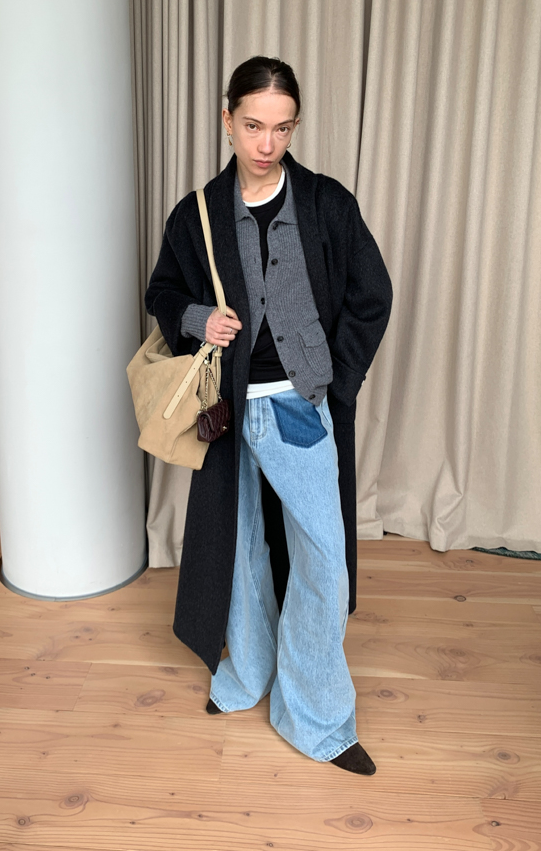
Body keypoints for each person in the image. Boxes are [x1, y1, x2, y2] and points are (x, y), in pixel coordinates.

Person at [144, 56, 392, 775]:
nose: (266, 143)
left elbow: (372, 294)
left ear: (295, 127)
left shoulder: (326, 203)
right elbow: (162, 292)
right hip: (225, 410)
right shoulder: (196, 213)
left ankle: (314, 718)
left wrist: (337, 384)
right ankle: (248, 673)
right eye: (253, 126)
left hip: (297, 405)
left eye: (282, 128)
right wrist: (199, 317)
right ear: (227, 121)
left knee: (323, 560)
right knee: (240, 548)